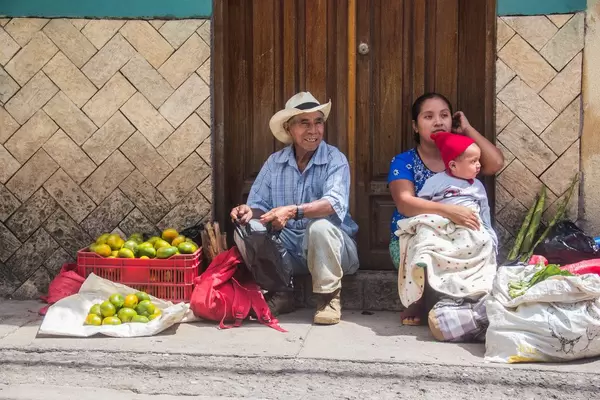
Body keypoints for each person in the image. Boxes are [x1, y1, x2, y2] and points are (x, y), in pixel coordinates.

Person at [230, 92, 359, 325]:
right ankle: (281, 293)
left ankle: (328, 298)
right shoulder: (275, 162)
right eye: (304, 123)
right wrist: (247, 211)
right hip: (289, 250)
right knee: (247, 229)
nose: (313, 130)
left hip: (334, 251)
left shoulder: (334, 158)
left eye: (318, 122)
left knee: (319, 227)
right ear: (289, 129)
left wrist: (292, 211)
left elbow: (333, 203)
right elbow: (258, 205)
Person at [388, 92, 504, 326]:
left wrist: (468, 130)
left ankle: (468, 299)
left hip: (462, 234)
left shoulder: (463, 158)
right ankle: (419, 299)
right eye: (428, 116)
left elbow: (495, 164)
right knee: (425, 245)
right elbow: (405, 202)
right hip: (416, 235)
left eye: (444, 116)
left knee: (477, 243)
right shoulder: (403, 161)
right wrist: (449, 212)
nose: (438, 121)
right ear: (415, 126)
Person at [418, 131, 498, 251]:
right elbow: (421, 203)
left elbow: (484, 210)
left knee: (481, 241)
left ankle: (472, 266)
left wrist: (489, 233)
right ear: (453, 165)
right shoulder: (435, 181)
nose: (479, 165)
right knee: (425, 237)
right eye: (473, 161)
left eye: (479, 160)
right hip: (440, 223)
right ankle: (425, 263)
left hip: (469, 225)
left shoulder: (477, 186)